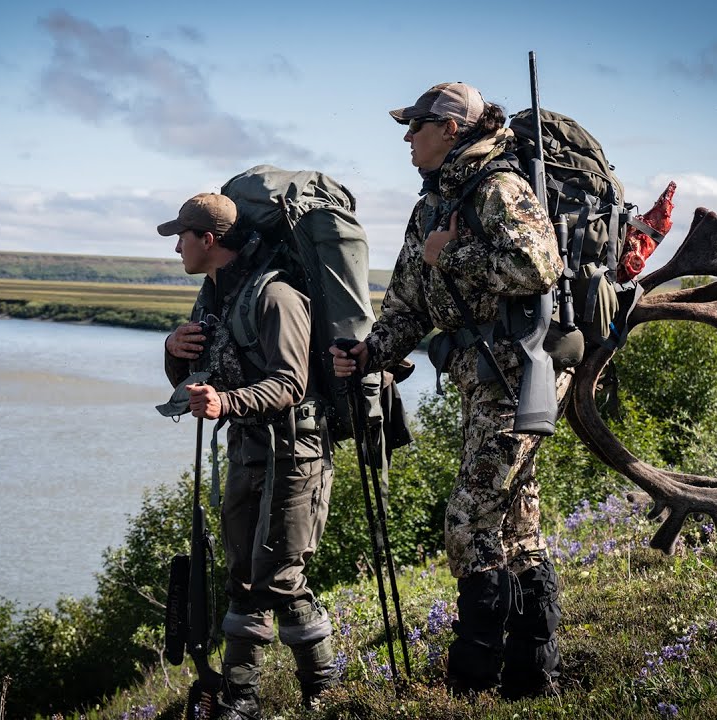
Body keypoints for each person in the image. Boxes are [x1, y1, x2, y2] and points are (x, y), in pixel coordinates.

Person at [330, 82, 565, 698]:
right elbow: (408, 301)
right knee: (516, 524)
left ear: (452, 129)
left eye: (416, 127)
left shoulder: (499, 188)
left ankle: (472, 680)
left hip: (516, 379)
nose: (407, 138)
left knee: (467, 519)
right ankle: (530, 678)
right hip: (478, 381)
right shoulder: (434, 202)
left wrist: (453, 255)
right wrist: (369, 353)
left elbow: (540, 268)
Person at [159, 192, 337, 718]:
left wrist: (226, 401)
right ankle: (241, 699)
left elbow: (290, 383)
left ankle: (324, 688)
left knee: (280, 577)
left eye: (182, 237)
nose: (176, 249)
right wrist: (172, 351)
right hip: (248, 449)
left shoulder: (275, 295)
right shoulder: (214, 297)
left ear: (208, 241)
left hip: (296, 451)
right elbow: (197, 378)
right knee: (241, 574)